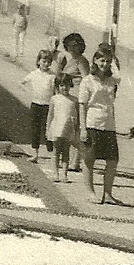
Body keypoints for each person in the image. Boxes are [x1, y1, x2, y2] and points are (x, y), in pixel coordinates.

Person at [78, 48, 122, 204]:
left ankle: (108, 194)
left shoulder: (111, 81)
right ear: (95, 61)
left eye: (108, 61)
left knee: (112, 160)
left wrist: (114, 63)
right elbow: (82, 105)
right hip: (92, 123)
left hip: (109, 124)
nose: (105, 64)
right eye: (102, 60)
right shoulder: (88, 81)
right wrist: (83, 128)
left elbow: (119, 77)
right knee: (89, 160)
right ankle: (90, 192)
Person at [56, 32, 90, 171]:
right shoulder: (72, 60)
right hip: (70, 95)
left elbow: (87, 79)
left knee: (75, 128)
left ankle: (75, 162)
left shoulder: (81, 60)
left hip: (77, 96)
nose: (72, 48)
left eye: (75, 46)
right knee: (70, 127)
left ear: (81, 46)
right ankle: (71, 160)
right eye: (70, 46)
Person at [20, 50, 55, 163]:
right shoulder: (34, 74)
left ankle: (52, 154)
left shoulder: (52, 76)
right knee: (35, 129)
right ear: (39, 61)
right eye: (44, 61)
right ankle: (35, 153)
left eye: (49, 62)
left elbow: (56, 91)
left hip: (48, 106)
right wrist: (29, 93)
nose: (46, 64)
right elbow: (21, 83)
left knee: (48, 130)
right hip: (36, 104)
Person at [47, 73, 79, 183]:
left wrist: (77, 130)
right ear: (57, 86)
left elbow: (77, 116)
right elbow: (50, 115)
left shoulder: (74, 100)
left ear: (70, 85)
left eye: (66, 85)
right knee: (56, 152)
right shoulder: (54, 99)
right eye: (61, 85)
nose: (64, 88)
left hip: (68, 129)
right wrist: (48, 129)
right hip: (57, 128)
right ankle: (55, 174)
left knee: (66, 152)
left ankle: (64, 175)